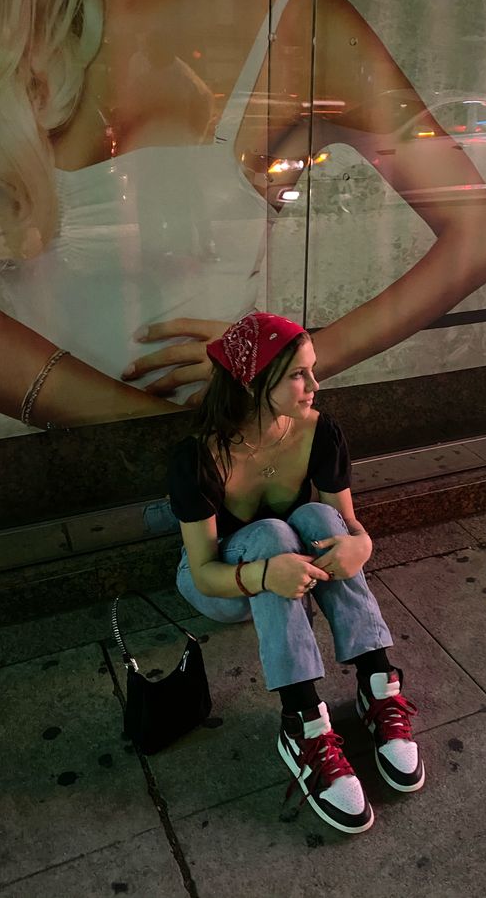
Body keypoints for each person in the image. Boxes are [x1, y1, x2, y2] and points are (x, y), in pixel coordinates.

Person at [0, 0, 486, 434]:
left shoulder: (305, 31)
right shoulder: (6, 4)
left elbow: (480, 236)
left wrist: (292, 359)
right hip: (11, 477)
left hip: (195, 477)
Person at [167, 312, 424, 834]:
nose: (314, 385)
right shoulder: (199, 456)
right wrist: (265, 575)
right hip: (226, 585)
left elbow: (345, 521)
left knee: (318, 518)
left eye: (313, 371)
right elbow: (203, 570)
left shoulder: (319, 429)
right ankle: (301, 721)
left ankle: (377, 683)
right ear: (253, 382)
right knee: (271, 534)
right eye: (298, 375)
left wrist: (361, 544)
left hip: (292, 573)